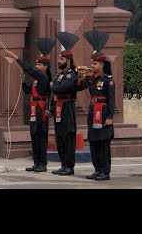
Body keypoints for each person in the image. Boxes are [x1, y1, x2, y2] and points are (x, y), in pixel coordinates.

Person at [6, 37, 55, 172]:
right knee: (34, 135)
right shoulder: (36, 80)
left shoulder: (43, 77)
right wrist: (23, 82)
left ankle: (42, 163)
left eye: (39, 65)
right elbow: (28, 91)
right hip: (34, 109)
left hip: (41, 109)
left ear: (44, 67)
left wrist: (15, 57)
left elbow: (29, 70)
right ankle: (36, 162)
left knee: (41, 136)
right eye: (37, 65)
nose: (36, 67)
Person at [77, 30, 114, 181]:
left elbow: (111, 100)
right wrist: (81, 76)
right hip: (93, 112)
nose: (92, 65)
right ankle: (97, 169)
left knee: (103, 143)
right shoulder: (92, 79)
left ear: (102, 65)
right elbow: (81, 87)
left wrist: (110, 117)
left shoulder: (107, 80)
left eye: (94, 63)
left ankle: (105, 171)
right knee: (94, 141)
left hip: (103, 112)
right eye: (92, 63)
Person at [50, 31, 79, 176]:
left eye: (61, 59)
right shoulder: (58, 75)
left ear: (68, 61)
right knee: (59, 137)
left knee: (68, 137)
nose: (59, 61)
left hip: (67, 107)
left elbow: (64, 88)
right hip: (58, 108)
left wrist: (53, 87)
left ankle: (69, 166)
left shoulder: (71, 75)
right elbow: (55, 89)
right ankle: (63, 164)